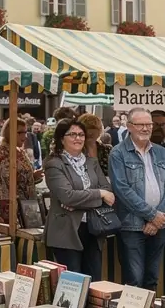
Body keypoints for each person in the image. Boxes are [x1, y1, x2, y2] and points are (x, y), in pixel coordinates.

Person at [109, 108, 165, 290]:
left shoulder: (161, 152)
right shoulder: (118, 153)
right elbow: (122, 189)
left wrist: (158, 217)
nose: (146, 128)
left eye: (149, 124)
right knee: (134, 280)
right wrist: (151, 215)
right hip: (132, 225)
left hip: (159, 224)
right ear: (129, 126)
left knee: (152, 278)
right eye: (141, 124)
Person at [42, 120, 113, 281]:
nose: (78, 138)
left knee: (94, 282)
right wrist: (98, 194)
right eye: (72, 134)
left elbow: (108, 193)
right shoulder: (54, 164)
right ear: (61, 139)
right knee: (73, 285)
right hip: (66, 231)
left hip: (93, 229)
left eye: (81, 134)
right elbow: (67, 196)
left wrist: (81, 200)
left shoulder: (92, 162)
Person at [0, 118, 43, 226]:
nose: (25, 136)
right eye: (21, 132)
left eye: (26, 132)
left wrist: (34, 176)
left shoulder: (20, 151)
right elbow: (9, 178)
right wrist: (31, 176)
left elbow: (24, 176)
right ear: (10, 132)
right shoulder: (0, 151)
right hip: (4, 207)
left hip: (22, 205)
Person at [75, 113, 111, 178]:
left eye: (94, 128)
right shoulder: (72, 151)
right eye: (87, 128)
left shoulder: (107, 150)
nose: (90, 132)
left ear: (99, 130)